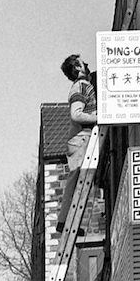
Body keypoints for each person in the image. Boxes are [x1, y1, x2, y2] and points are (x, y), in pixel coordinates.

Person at [57, 53, 98, 232]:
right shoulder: (80, 87)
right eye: (83, 63)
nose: (87, 64)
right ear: (78, 68)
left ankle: (67, 221)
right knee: (77, 184)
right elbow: (76, 113)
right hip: (81, 139)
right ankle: (67, 222)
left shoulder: (81, 86)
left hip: (80, 139)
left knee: (76, 184)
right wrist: (97, 117)